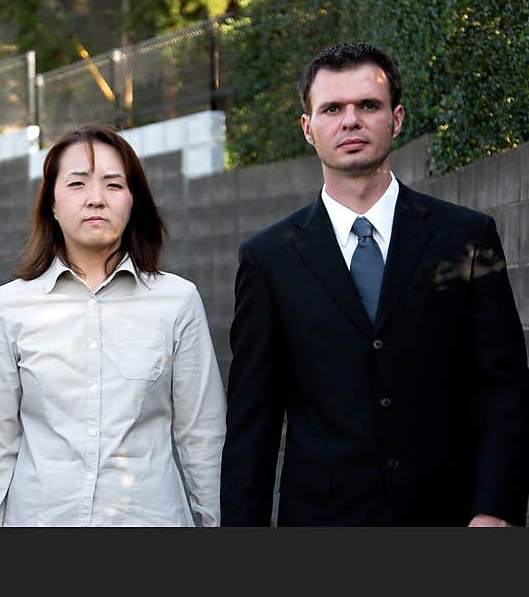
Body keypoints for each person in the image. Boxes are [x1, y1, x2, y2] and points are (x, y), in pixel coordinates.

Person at [221, 42, 529, 527]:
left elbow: (503, 388)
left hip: (449, 516)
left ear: (397, 118)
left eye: (368, 105)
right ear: (308, 128)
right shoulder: (268, 258)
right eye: (332, 109)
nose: (350, 121)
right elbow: (252, 422)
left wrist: (496, 510)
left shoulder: (466, 237)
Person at [0, 124, 226, 526]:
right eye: (78, 184)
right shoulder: (11, 305)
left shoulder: (178, 301)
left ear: (133, 201)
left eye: (114, 185)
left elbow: (202, 436)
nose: (96, 199)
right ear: (51, 202)